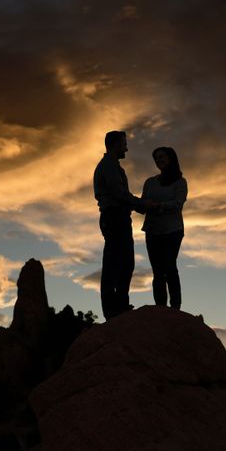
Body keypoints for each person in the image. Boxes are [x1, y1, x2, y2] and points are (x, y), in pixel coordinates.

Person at [93, 130, 152, 320]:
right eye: (124, 143)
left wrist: (138, 206)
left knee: (124, 263)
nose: (126, 146)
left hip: (118, 217)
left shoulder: (114, 167)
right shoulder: (109, 166)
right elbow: (119, 194)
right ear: (116, 144)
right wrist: (142, 204)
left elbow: (121, 196)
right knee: (116, 263)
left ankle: (120, 305)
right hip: (114, 217)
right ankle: (113, 309)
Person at [142, 146, 187, 309]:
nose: (159, 160)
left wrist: (157, 206)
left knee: (169, 267)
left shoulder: (180, 182)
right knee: (157, 271)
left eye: (162, 157)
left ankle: (175, 307)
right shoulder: (150, 182)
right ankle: (160, 307)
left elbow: (178, 204)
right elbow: (143, 204)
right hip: (152, 230)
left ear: (171, 159)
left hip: (173, 230)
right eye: (156, 158)